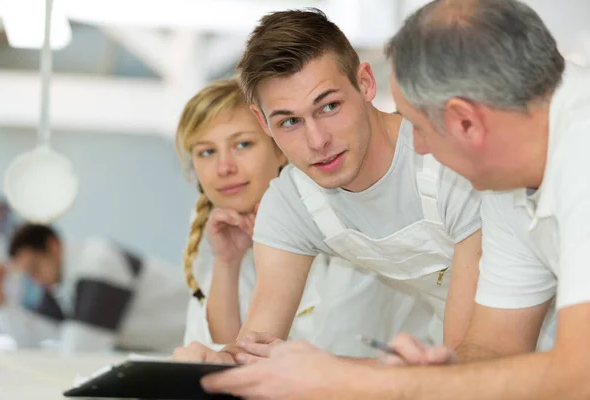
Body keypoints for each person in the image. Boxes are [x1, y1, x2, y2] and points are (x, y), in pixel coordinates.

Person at [195, 1, 590, 399]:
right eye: (290, 121)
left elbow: (579, 374)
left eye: (418, 125)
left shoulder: (579, 150)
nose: (417, 144)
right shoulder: (504, 184)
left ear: (465, 120)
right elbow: (492, 351)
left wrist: (348, 379)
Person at [173, 8, 483, 365]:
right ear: (264, 123)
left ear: (365, 82)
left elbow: (466, 366)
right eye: (289, 121)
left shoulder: (447, 165)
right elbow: (257, 347)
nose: (317, 141)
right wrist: (215, 364)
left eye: (330, 106)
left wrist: (318, 368)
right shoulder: (291, 202)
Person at [176, 77, 404, 357]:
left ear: (280, 148)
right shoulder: (213, 234)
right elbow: (224, 357)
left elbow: (339, 349)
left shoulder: (340, 214)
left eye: (243, 144)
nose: (224, 167)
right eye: (207, 152)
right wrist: (227, 263)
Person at [0, 223, 188, 353]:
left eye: (35, 268)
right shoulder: (63, 286)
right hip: (165, 353)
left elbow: (80, 351)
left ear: (52, 246)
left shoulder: (98, 263)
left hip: (194, 344)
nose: (36, 280)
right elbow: (29, 339)